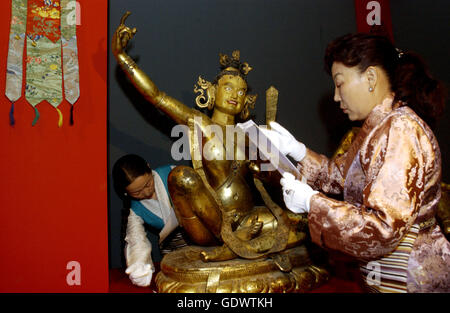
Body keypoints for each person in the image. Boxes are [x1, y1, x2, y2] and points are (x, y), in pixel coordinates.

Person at [263, 33, 450, 292]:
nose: (337, 97)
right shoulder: (378, 126)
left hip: (409, 274)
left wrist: (311, 203)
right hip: (386, 271)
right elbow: (339, 176)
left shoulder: (401, 130)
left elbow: (384, 228)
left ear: (371, 78)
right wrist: (296, 150)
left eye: (339, 84)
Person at [112, 154, 184, 287]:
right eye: (136, 193)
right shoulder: (134, 210)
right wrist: (139, 266)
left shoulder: (174, 173)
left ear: (149, 168)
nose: (145, 193)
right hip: (174, 251)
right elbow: (136, 239)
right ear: (126, 192)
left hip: (204, 239)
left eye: (148, 184)